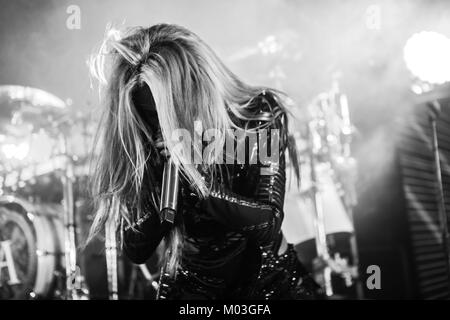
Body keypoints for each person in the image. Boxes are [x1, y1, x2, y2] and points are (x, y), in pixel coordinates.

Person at [88, 23, 319, 299]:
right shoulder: (143, 137)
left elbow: (268, 225)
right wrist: (168, 189)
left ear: (192, 92)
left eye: (165, 113)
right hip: (193, 290)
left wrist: (196, 178)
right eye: (150, 116)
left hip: (271, 283)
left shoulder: (257, 116)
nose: (159, 127)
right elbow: (135, 248)